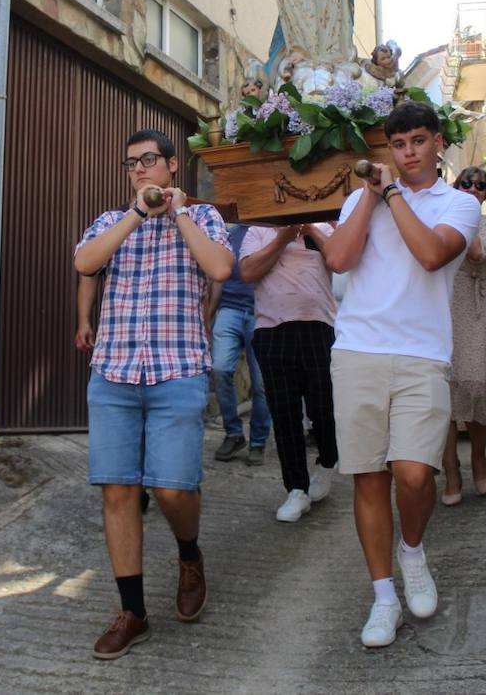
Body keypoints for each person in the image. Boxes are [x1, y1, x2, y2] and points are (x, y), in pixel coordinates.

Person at [321, 102, 480, 648]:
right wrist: (368, 196)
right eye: (398, 144)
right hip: (358, 350)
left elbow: (433, 255)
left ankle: (412, 551)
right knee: (369, 477)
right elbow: (339, 260)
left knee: (414, 475)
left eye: (417, 141)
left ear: (437, 143)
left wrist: (393, 195)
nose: (408, 152)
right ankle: (383, 595)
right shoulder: (359, 199)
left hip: (422, 353)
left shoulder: (458, 203)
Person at [74, 129, 234, 659]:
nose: (139, 170)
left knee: (172, 489)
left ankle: (189, 554)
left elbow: (219, 268)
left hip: (177, 371)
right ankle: (133, 612)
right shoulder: (111, 223)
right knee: (118, 491)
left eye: (148, 161)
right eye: (130, 163)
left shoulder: (203, 218)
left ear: (171, 167)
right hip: (115, 373)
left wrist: (179, 213)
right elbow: (85, 263)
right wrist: (138, 215)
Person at [238, 223, 339, 522]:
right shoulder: (258, 230)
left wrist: (310, 228)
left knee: (325, 408)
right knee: (284, 414)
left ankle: (328, 461)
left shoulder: (323, 227)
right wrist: (282, 237)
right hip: (271, 330)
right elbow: (246, 272)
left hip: (319, 328)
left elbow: (339, 260)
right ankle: (296, 488)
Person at [440, 167, 486, 506]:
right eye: (466, 183)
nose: (473, 189)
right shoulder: (440, 214)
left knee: (476, 386)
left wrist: (461, 219)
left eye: (481, 186)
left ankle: (478, 456)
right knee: (443, 392)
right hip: (438, 307)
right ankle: (451, 470)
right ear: (455, 186)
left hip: (474, 308)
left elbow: (479, 253)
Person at [204, 225, 273, 465]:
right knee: (220, 369)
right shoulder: (229, 234)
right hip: (230, 309)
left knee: (262, 383)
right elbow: (218, 277)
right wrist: (208, 317)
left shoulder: (270, 231)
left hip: (262, 311)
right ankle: (233, 434)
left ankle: (258, 441)